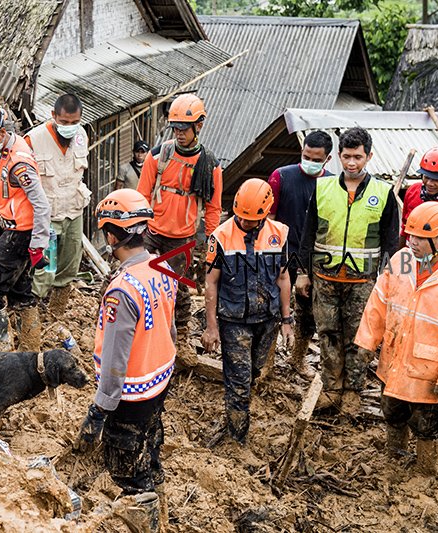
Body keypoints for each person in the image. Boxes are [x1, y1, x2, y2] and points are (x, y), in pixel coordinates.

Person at [75, 189, 177, 532]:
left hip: (131, 394)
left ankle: (147, 521)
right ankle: (161, 515)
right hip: (160, 379)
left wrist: (100, 409)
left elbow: (116, 359)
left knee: (126, 471)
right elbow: (171, 329)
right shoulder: (162, 269)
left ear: (110, 235)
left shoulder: (122, 289)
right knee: (150, 451)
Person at [297, 127, 399, 414]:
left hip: (363, 280)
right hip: (325, 277)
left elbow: (391, 242)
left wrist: (388, 280)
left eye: (357, 157)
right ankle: (331, 387)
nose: (351, 163)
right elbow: (308, 235)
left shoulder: (383, 193)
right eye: (346, 157)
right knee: (327, 333)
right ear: (338, 157)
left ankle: (352, 391)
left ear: (369, 156)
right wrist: (303, 273)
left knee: (360, 337)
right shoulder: (323, 188)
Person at [355, 202, 438, 475]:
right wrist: (367, 341)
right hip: (395, 359)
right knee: (392, 411)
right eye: (410, 235)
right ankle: (395, 460)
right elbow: (377, 304)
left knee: (426, 424)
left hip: (428, 371)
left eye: (420, 237)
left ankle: (425, 471)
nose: (412, 242)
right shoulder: (400, 260)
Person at [201, 179, 293, 443]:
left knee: (252, 372)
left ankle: (234, 416)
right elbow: (211, 282)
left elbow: (283, 278)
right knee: (239, 380)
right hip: (234, 319)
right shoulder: (220, 236)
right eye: (241, 218)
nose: (245, 223)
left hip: (267, 318)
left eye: (252, 220)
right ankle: (236, 437)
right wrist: (211, 326)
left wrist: (286, 320)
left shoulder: (279, 234)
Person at [0, 103, 51, 351]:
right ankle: (30, 350)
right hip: (17, 230)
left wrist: (38, 243)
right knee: (21, 292)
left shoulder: (18, 162)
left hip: (20, 236)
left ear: (2, 132)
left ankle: (0, 356)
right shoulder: (6, 150)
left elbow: (42, 204)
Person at [137, 93, 222, 326]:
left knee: (177, 288)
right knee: (135, 276)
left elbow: (213, 209)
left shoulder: (209, 165)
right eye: (175, 128)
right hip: (151, 231)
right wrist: (138, 227)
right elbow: (142, 194)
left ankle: (179, 334)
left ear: (199, 126)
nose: (179, 134)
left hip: (182, 237)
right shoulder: (157, 156)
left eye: (185, 128)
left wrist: (211, 245)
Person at [268, 130, 334, 379]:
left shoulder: (332, 184)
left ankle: (298, 358)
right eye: (306, 156)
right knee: (273, 307)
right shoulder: (281, 177)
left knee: (308, 313)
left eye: (317, 159)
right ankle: (268, 360)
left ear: (327, 159)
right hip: (283, 252)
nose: (310, 161)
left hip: (315, 257)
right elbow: (269, 219)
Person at [24, 94, 91, 315]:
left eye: (74, 122)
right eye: (64, 122)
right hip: (47, 218)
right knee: (45, 270)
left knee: (69, 267)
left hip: (73, 211)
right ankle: (31, 314)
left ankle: (56, 314)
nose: (69, 127)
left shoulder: (82, 135)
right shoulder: (33, 140)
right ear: (53, 116)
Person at [401, 147, 438, 245]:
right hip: (411, 254)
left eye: (436, 180)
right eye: (426, 177)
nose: (429, 183)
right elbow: (404, 229)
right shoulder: (412, 192)